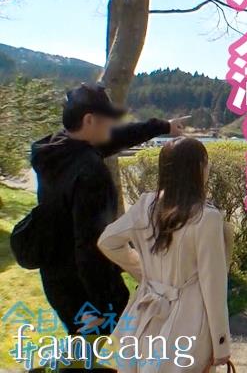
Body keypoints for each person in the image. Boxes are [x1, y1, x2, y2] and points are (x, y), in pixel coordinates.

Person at [30, 83, 186, 348]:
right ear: (89, 120)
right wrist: (105, 300)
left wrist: (163, 126)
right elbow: (90, 244)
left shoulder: (55, 149)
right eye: (107, 119)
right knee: (90, 347)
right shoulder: (90, 171)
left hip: (55, 274)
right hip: (82, 284)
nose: (112, 126)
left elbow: (116, 138)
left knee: (81, 346)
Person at [98, 137, 233, 372]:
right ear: (198, 168)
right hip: (189, 321)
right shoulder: (206, 217)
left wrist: (144, 272)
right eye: (205, 163)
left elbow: (108, 241)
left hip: (145, 312)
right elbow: (214, 286)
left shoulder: (146, 205)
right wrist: (221, 344)